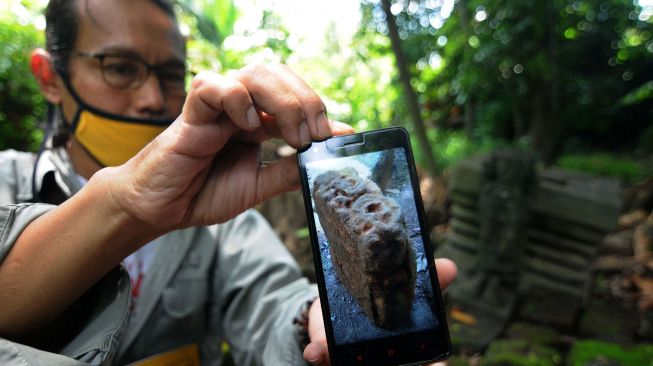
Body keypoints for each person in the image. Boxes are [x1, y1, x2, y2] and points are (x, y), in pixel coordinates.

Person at [0, 0, 457, 365]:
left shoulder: (220, 216)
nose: (152, 98)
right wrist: (126, 207)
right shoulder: (6, 180)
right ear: (50, 77)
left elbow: (272, 302)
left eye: (171, 75)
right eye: (119, 68)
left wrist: (311, 321)